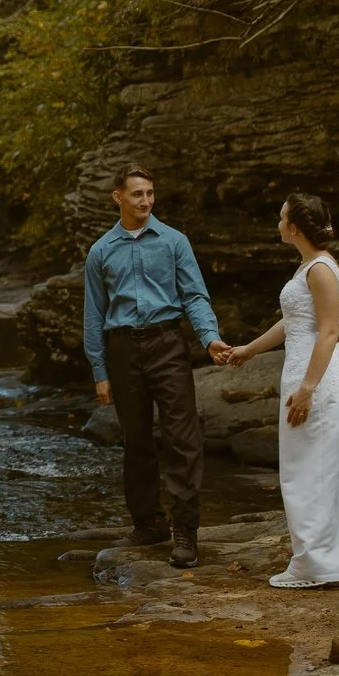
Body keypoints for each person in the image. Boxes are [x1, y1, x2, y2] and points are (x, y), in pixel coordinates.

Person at [83, 165, 228, 568]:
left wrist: (209, 337)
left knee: (183, 439)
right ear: (118, 197)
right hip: (123, 350)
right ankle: (148, 523)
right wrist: (100, 370)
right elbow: (94, 314)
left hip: (168, 344)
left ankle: (185, 530)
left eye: (149, 193)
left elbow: (195, 297)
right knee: (137, 442)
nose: (145, 201)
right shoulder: (100, 251)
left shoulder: (174, 242)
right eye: (136, 194)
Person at [223, 193, 339, 588]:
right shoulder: (307, 267)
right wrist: (249, 349)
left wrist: (308, 388)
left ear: (295, 227)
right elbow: (294, 322)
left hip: (320, 382)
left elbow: (330, 331)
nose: (278, 224)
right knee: (306, 470)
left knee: (313, 473)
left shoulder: (320, 269)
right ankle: (322, 561)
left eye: (281, 218)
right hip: (305, 377)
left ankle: (316, 566)